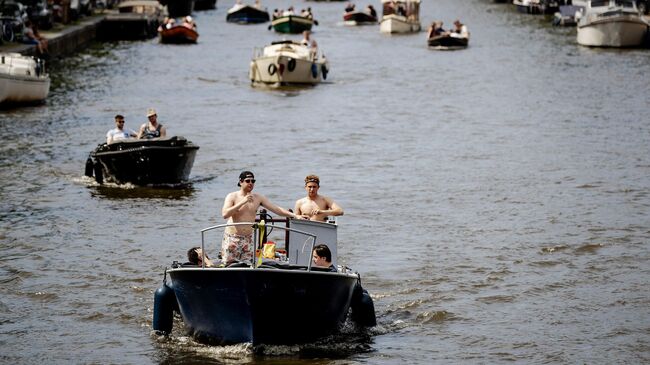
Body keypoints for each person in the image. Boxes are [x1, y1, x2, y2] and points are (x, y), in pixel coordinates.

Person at [221, 171, 306, 264]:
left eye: (253, 181)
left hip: (248, 239)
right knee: (229, 265)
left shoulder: (258, 197)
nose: (250, 183)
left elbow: (276, 209)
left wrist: (295, 215)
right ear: (241, 182)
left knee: (248, 265)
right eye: (247, 181)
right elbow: (225, 214)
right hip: (232, 237)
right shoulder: (232, 196)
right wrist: (242, 202)